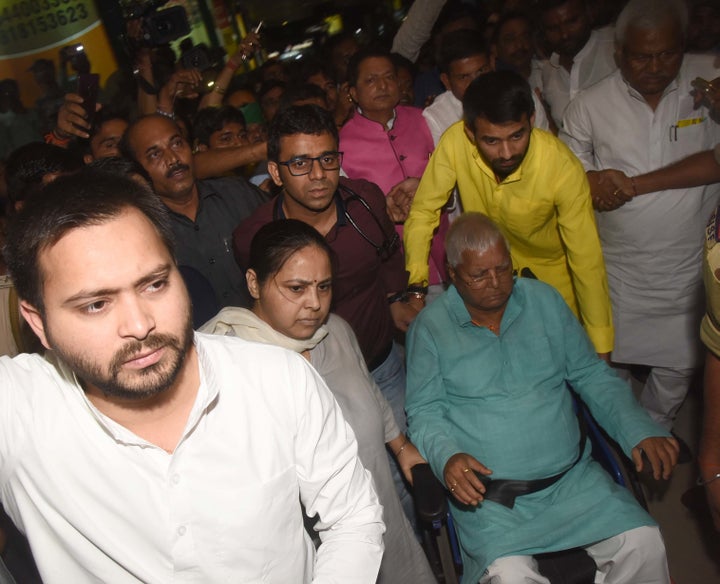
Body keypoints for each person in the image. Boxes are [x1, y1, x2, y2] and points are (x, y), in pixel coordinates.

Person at [0, 168, 385, 583]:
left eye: (154, 284)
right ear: (38, 324)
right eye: (96, 304)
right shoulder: (21, 411)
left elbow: (353, 519)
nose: (139, 323)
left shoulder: (278, 379)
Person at [406, 212, 678, 584]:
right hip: (492, 501)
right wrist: (447, 457)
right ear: (453, 274)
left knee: (645, 545)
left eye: (503, 269)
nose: (497, 283)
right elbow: (424, 411)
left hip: (573, 484)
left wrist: (637, 428)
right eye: (479, 275)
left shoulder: (543, 301)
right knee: (509, 576)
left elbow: (590, 374)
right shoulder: (431, 328)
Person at [202, 219, 436, 583]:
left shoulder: (336, 331)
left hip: (383, 523)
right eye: (296, 288)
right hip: (322, 560)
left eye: (324, 287)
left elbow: (368, 390)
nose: (314, 304)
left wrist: (402, 447)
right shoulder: (233, 365)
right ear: (254, 283)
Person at [233, 104, 419, 525]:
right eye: (300, 162)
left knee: (409, 483)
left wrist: (395, 296)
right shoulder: (254, 237)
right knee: (355, 500)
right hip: (319, 386)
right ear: (275, 173)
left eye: (327, 159)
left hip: (383, 366)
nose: (318, 175)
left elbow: (390, 253)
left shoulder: (366, 202)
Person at [560, 0, 720, 431]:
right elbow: (566, 178)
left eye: (667, 54)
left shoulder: (709, 83)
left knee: (681, 365)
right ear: (618, 53)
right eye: (641, 56)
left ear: (683, 48)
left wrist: (636, 184)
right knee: (610, 359)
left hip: (690, 269)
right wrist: (591, 184)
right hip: (620, 271)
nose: (655, 66)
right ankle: (622, 432)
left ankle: (654, 429)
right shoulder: (589, 106)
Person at [404, 70, 613, 355]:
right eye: (491, 141)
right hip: (485, 280)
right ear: (470, 132)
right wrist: (417, 284)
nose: (505, 153)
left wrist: (600, 343)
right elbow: (424, 211)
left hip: (551, 282)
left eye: (517, 136)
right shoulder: (455, 143)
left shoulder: (561, 167)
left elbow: (586, 257)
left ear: (531, 122)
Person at [120, 114, 267, 309]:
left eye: (177, 144)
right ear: (136, 171)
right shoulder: (141, 232)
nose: (172, 159)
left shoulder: (239, 194)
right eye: (155, 154)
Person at [340, 47, 447, 300]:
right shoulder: (341, 146)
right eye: (371, 80)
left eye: (389, 77)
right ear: (353, 92)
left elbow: (453, 176)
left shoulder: (426, 119)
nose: (383, 86)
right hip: (398, 272)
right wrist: (383, 210)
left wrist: (429, 188)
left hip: (447, 251)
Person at [539, 0, 616, 128]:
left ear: (589, 14)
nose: (564, 34)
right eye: (553, 28)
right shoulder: (548, 71)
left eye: (571, 21)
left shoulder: (615, 47)